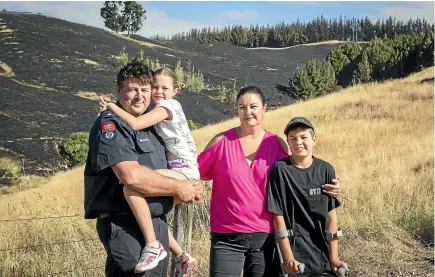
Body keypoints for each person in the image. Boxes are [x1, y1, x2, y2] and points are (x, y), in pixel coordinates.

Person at [197, 86, 341, 277]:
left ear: (264, 108)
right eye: (242, 107)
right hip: (227, 237)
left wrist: (330, 186)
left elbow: (300, 171)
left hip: (265, 237)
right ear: (237, 111)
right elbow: (194, 173)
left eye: (253, 106)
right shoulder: (222, 141)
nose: (248, 112)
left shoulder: (276, 143)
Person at [84, 58, 204, 277]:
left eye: (145, 90)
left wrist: (193, 184)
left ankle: (177, 254)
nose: (140, 96)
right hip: (125, 225)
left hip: (156, 224)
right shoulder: (113, 124)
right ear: (118, 89)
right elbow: (131, 177)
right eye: (132, 89)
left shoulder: (153, 123)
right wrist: (180, 187)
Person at [267, 117, 349, 277]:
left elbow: (331, 217)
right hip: (295, 256)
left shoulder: (326, 170)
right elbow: (278, 216)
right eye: (293, 138)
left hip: (322, 253)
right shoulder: (280, 170)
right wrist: (288, 258)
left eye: (304, 137)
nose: (298, 142)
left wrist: (334, 258)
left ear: (314, 140)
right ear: (288, 143)